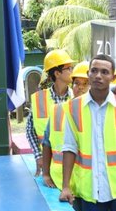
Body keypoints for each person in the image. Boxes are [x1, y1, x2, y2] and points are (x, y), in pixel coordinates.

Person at [60, 54, 116, 211]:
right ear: (88, 74)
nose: (98, 75)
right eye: (94, 71)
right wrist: (66, 186)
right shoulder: (73, 107)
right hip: (88, 191)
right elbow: (69, 148)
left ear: (113, 77)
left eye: (104, 72)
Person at [41, 60, 89, 190]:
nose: (81, 87)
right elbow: (47, 142)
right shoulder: (59, 110)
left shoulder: (97, 113)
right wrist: (45, 174)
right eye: (77, 83)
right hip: (61, 180)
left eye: (85, 83)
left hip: (86, 181)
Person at [28, 49, 76, 177]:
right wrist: (39, 157)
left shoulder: (77, 98)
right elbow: (30, 130)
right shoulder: (39, 99)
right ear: (57, 73)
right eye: (69, 68)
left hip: (74, 168)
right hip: (49, 169)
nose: (72, 71)